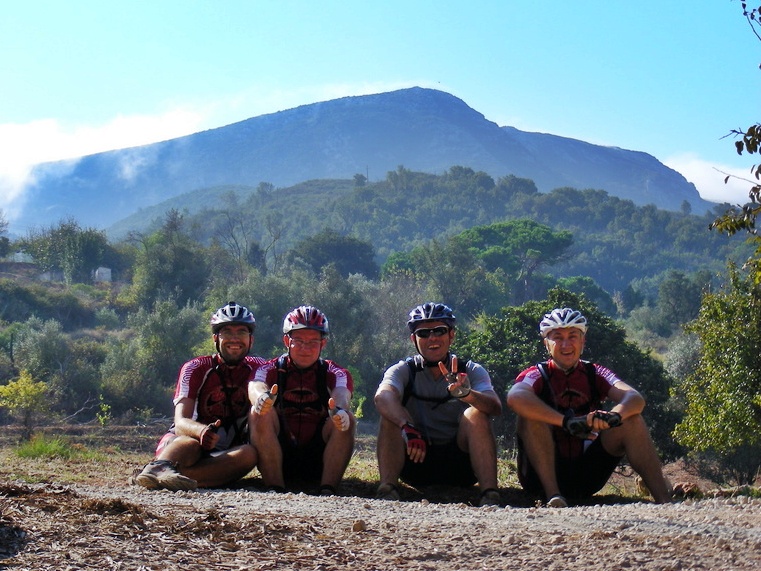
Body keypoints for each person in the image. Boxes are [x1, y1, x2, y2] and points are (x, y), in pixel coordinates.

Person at [506, 307, 672, 507]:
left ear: (583, 341)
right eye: (557, 337)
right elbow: (515, 397)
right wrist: (566, 422)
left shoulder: (595, 372)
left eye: (572, 336)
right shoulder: (536, 373)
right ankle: (553, 496)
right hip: (538, 478)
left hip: (585, 475)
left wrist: (612, 417)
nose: (566, 344)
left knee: (632, 420)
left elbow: (635, 398)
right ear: (546, 344)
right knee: (529, 416)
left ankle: (665, 500)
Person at [374, 302, 503, 507]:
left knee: (476, 414)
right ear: (414, 339)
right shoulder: (403, 370)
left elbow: (495, 406)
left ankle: (490, 494)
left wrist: (468, 395)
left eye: (439, 331)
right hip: (415, 459)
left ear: (451, 335)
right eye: (423, 333)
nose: (432, 338)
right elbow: (383, 397)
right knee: (390, 415)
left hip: (461, 466)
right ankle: (387, 490)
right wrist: (406, 426)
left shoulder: (471, 370)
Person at [133, 301, 263, 491]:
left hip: (222, 452)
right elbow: (180, 421)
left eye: (241, 332)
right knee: (190, 444)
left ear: (251, 339)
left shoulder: (259, 367)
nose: (235, 339)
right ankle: (159, 468)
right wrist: (202, 432)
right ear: (215, 338)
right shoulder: (196, 368)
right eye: (227, 333)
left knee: (249, 454)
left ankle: (170, 478)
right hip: (181, 445)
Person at [248, 305, 355, 495]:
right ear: (286, 341)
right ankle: (275, 488)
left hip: (319, 457)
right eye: (298, 341)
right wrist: (262, 398)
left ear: (323, 344)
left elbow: (341, 393)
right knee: (258, 412)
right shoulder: (270, 369)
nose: (305, 348)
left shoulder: (335, 372)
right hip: (278, 455)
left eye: (313, 342)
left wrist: (339, 410)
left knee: (346, 418)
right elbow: (256, 385)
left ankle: (328, 490)